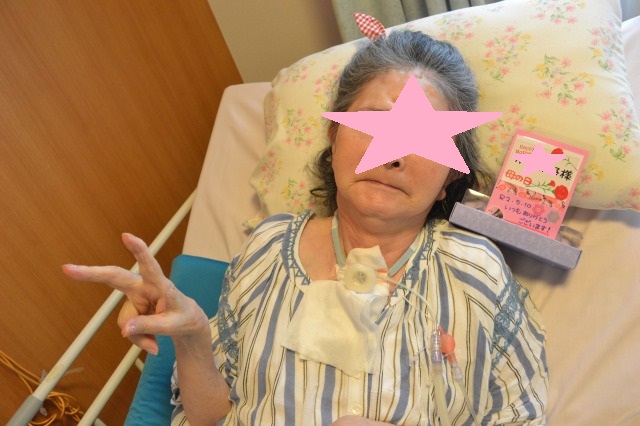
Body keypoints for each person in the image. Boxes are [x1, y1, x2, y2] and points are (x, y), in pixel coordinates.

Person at [63, 30, 548, 425]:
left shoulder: (474, 272)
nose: (395, 155)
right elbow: (209, 418)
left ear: (448, 180)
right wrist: (192, 338)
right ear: (334, 138)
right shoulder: (268, 247)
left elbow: (523, 416)